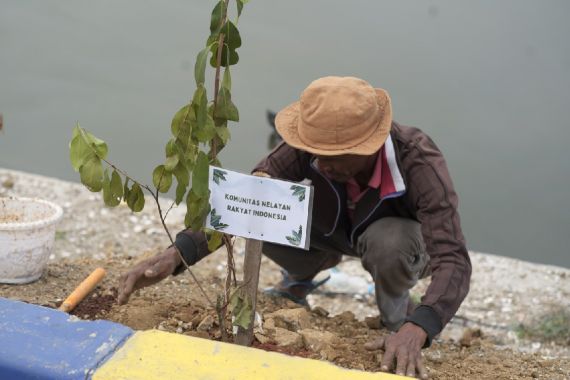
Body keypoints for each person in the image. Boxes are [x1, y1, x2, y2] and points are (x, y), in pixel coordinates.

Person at [117, 76, 471, 379]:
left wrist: (422, 326)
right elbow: (246, 198)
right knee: (269, 207)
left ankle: (397, 320)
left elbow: (453, 259)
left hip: (400, 243)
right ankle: (302, 275)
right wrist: (177, 254)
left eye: (336, 155)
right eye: (316, 152)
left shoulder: (418, 161)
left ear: (371, 145)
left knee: (388, 243)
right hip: (334, 230)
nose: (322, 162)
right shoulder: (311, 150)